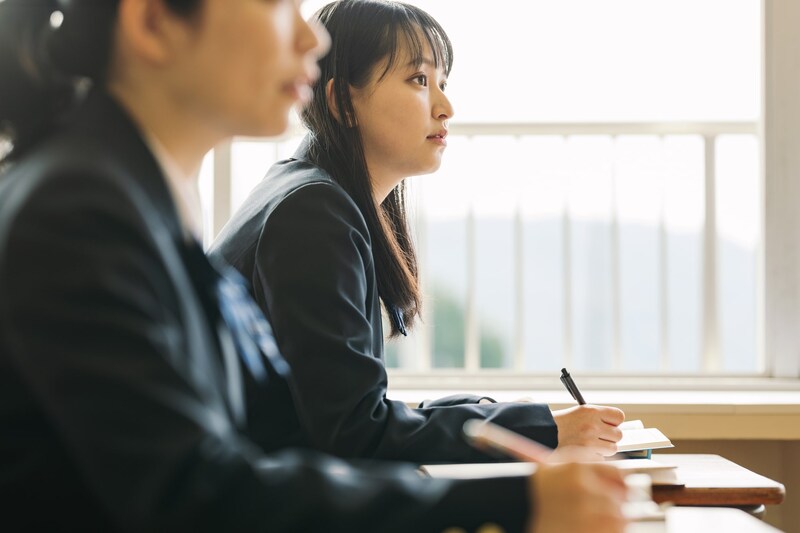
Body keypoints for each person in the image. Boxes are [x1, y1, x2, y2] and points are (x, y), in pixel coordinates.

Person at [0, 0, 629, 532]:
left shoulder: (128, 193)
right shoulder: (81, 209)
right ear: (153, 24)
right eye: (277, 6)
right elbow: (195, 492)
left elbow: (281, 430)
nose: (311, 37)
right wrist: (513, 499)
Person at [210, 0, 625, 463]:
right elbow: (354, 435)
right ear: (341, 101)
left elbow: (347, 416)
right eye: (419, 80)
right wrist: (543, 431)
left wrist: (506, 416)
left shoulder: (307, 192)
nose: (445, 107)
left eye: (441, 83)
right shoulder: (314, 212)